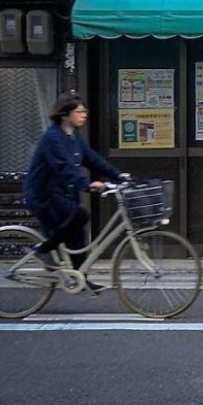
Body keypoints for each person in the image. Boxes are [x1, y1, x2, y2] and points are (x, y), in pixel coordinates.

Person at [23, 90, 129, 294]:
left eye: (84, 111)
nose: (84, 115)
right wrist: (86, 185)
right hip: (43, 195)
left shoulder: (73, 136)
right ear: (65, 114)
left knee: (78, 235)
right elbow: (64, 168)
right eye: (79, 111)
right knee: (80, 214)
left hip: (62, 194)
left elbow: (92, 159)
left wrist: (117, 175)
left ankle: (81, 278)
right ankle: (43, 249)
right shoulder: (52, 138)